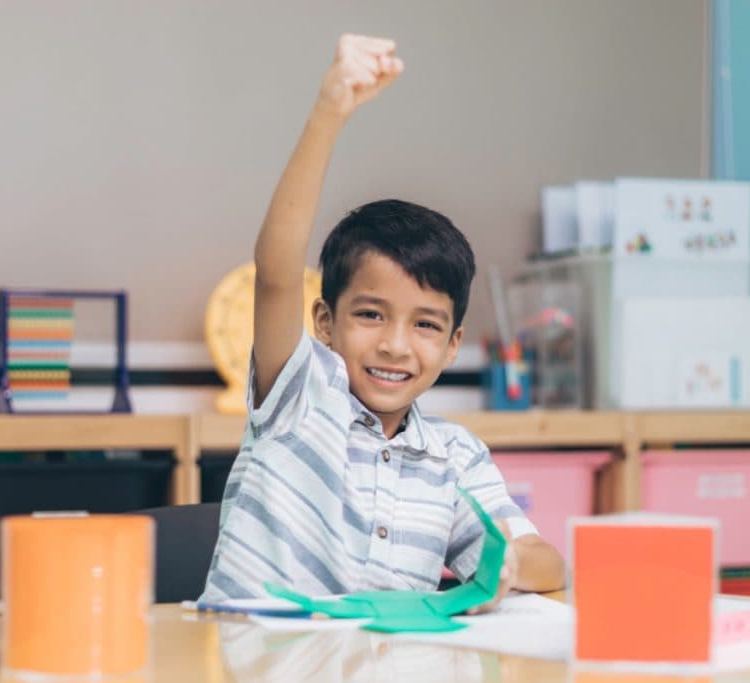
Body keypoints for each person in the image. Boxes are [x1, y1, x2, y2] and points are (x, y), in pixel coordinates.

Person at [201, 34, 564, 610]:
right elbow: (275, 270)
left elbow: (548, 563)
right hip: (254, 663)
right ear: (324, 320)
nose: (395, 345)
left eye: (425, 326)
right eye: (371, 315)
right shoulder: (300, 397)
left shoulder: (454, 457)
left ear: (452, 346)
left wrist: (511, 563)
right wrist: (330, 112)